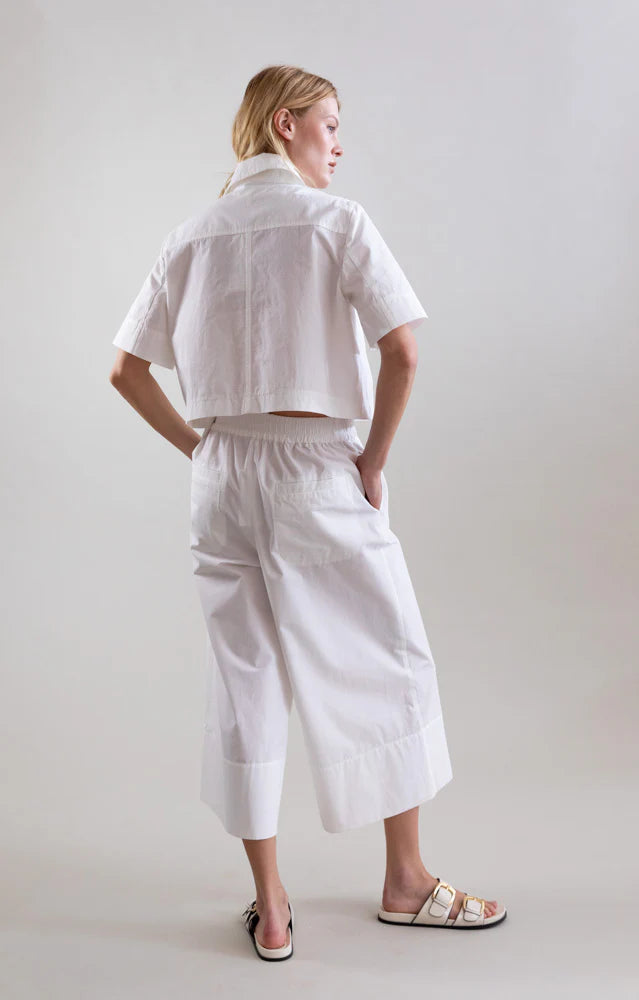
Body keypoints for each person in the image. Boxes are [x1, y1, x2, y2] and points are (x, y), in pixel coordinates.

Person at [109, 64, 507, 961]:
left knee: (243, 680)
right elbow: (403, 350)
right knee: (383, 658)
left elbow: (124, 369)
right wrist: (370, 461)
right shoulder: (336, 221)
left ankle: (273, 905)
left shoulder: (191, 234)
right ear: (284, 125)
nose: (340, 141)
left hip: (222, 480)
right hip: (313, 472)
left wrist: (201, 450)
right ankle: (405, 883)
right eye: (330, 122)